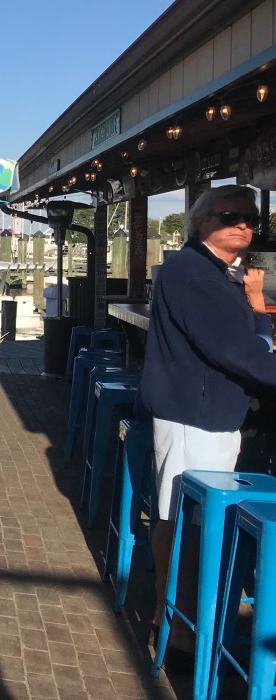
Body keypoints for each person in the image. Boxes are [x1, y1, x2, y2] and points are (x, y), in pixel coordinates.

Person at [141, 185, 276, 658]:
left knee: (184, 518)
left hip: (207, 412)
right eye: (230, 215)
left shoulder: (215, 272)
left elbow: (251, 340)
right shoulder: (192, 271)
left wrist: (255, 307)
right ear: (202, 221)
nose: (243, 225)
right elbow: (235, 349)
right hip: (194, 415)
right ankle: (174, 627)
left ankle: (177, 620)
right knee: (183, 522)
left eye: (251, 219)